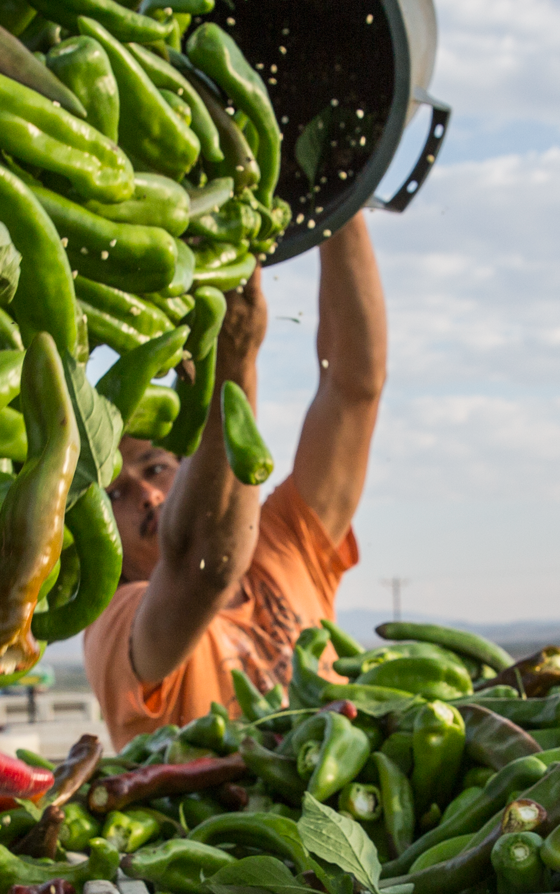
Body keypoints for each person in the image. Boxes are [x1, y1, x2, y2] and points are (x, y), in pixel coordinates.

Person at [83, 213, 386, 745]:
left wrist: (341, 207)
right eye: (115, 493)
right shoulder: (114, 628)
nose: (147, 494)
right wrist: (234, 363)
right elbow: (204, 566)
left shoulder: (283, 547)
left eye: (155, 468)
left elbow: (353, 385)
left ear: (186, 464)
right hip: (223, 830)